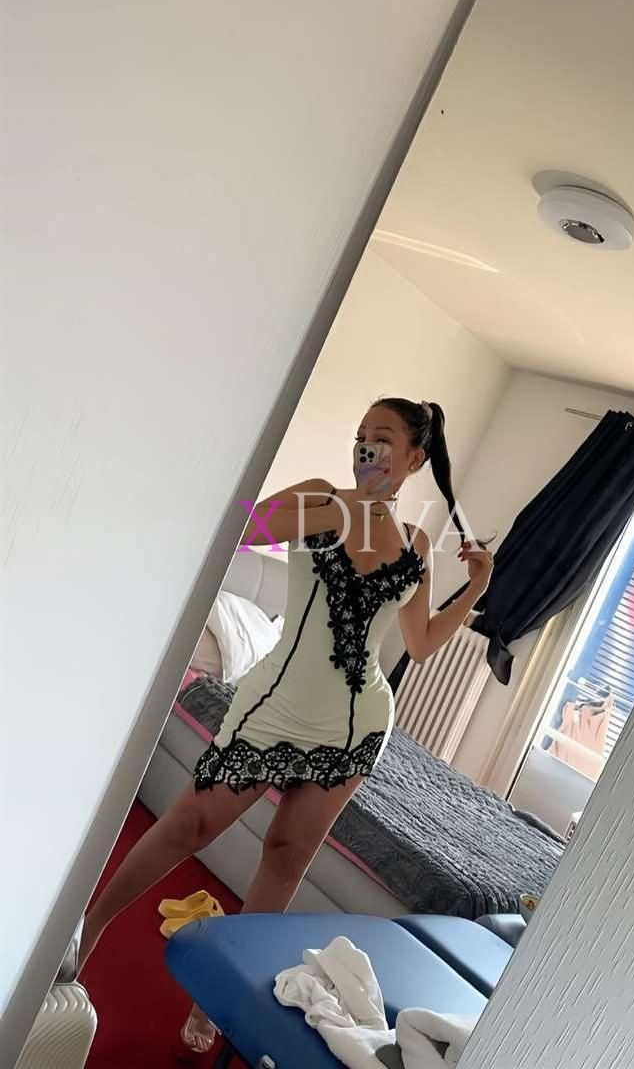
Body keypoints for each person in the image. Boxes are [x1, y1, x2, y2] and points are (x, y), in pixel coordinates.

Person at [77, 397, 494, 1051]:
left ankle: (215, 1001)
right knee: (188, 825)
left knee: (284, 857)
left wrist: (474, 589)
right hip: (273, 708)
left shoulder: (417, 544)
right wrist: (336, 507)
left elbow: (418, 644)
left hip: (354, 728)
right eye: (360, 435)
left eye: (383, 438)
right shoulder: (319, 499)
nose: (366, 447)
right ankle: (86, 929)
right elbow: (242, 529)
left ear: (415, 457)